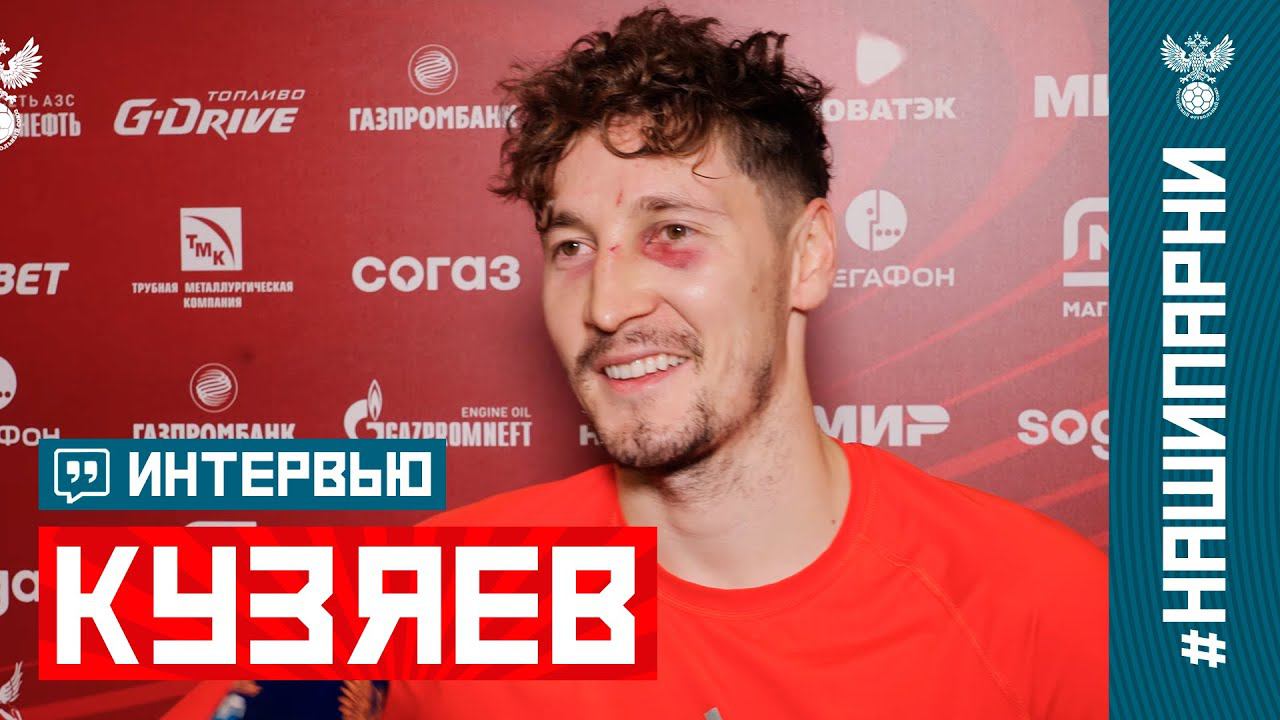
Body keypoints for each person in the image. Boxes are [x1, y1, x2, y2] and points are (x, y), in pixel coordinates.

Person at [385, 5, 1106, 719]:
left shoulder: (1049, 611)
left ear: (807, 258)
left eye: (673, 231)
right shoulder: (442, 598)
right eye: (572, 247)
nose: (607, 305)